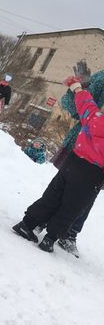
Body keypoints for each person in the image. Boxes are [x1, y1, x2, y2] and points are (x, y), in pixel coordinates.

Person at [12, 75, 104, 253]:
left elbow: (85, 102)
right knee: (71, 207)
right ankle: (50, 239)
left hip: (73, 161)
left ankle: (27, 224)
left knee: (52, 195)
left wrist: (76, 86)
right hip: (92, 173)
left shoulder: (95, 117)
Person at [49, 69, 104, 256]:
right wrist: (78, 88)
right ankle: (50, 223)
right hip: (84, 144)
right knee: (64, 187)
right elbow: (72, 108)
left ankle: (68, 232)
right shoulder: (101, 78)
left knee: (86, 195)